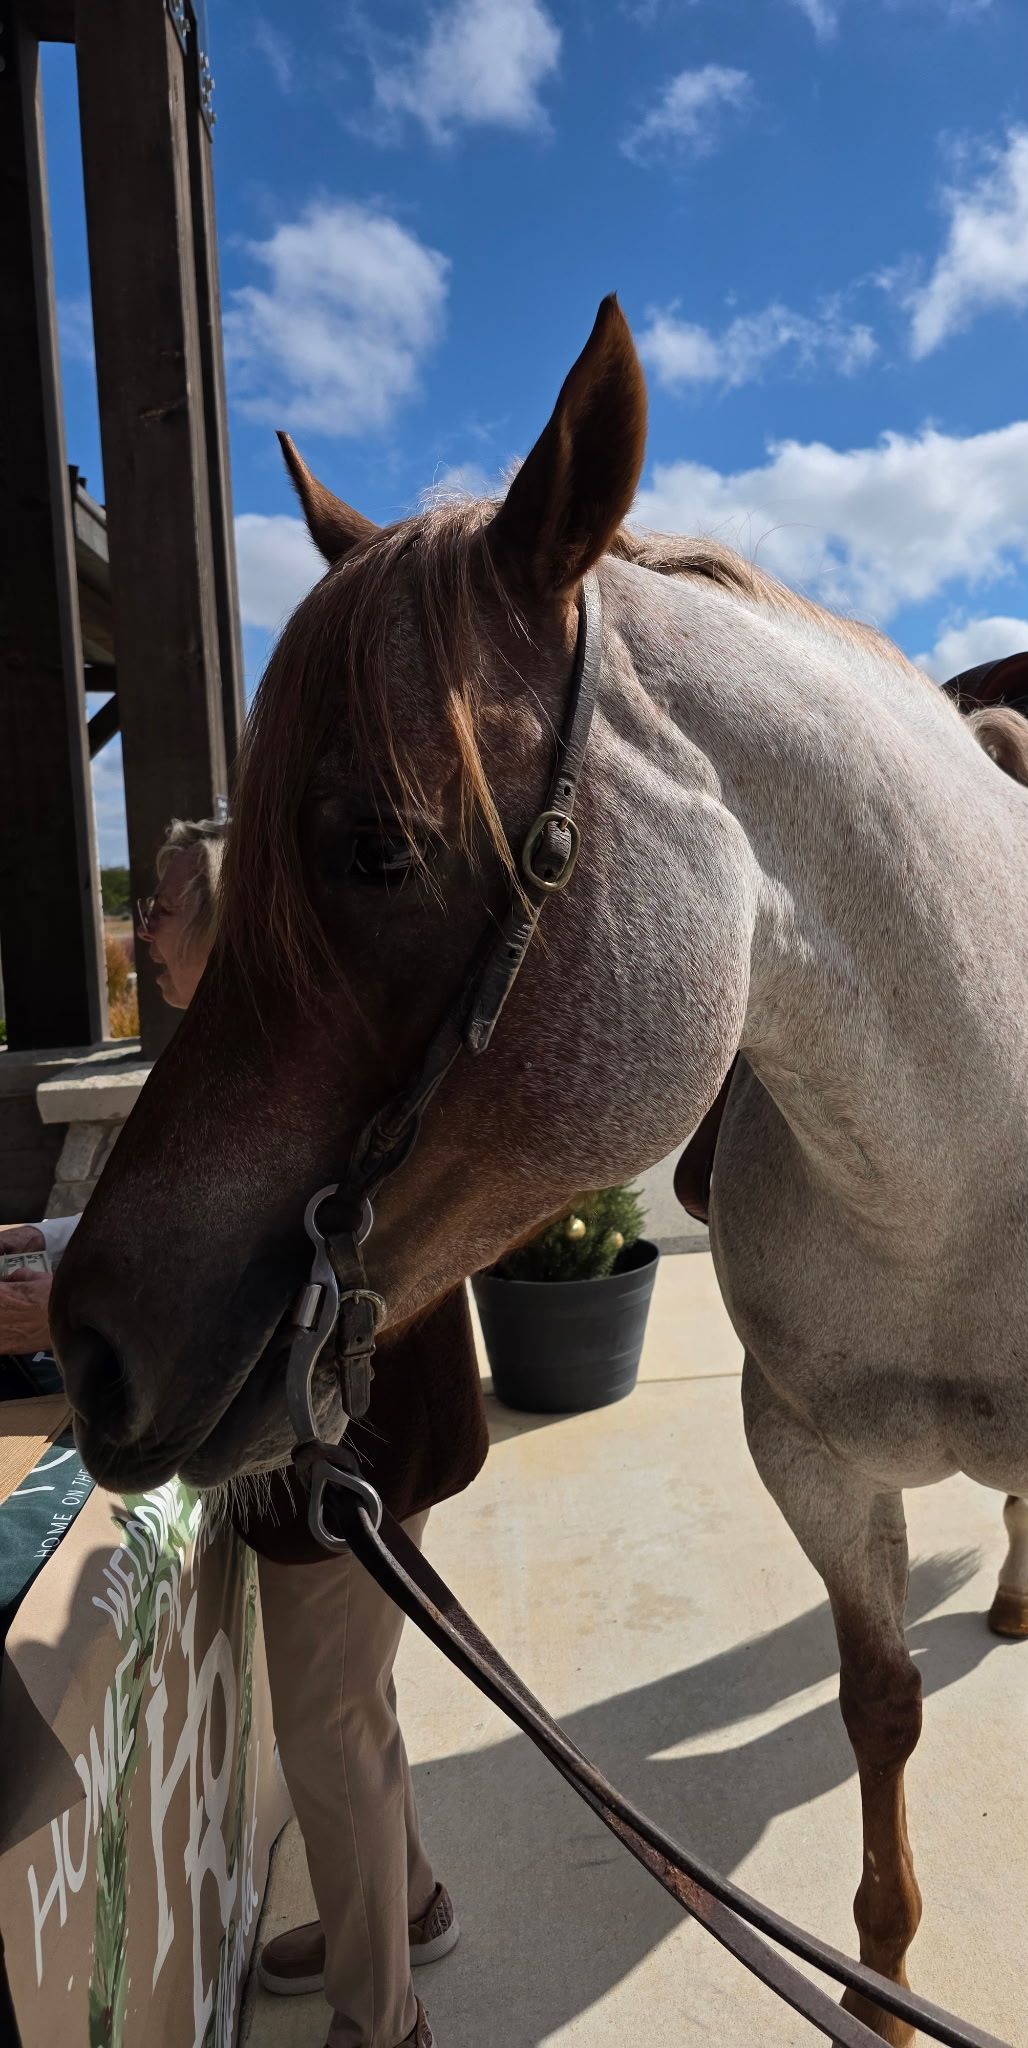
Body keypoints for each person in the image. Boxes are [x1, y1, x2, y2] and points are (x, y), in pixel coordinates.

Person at [0, 816, 483, 2048]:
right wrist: (57, 1257)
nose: (144, 925)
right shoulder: (284, 1041)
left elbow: (230, 1262)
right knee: (353, 1704)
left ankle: (382, 2020)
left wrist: (53, 1288)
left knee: (331, 1725)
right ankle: (402, 1904)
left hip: (343, 1438)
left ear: (232, 922)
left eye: (165, 903)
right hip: (379, 1424)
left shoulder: (268, 1063)